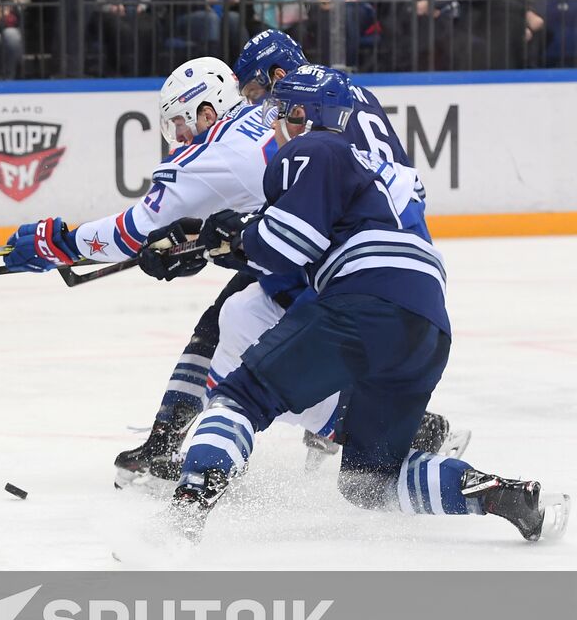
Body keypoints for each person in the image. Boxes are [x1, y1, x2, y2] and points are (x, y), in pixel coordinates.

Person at [151, 66, 568, 544]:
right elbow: (313, 240)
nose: (271, 123)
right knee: (370, 482)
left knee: (240, 396)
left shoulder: (314, 148)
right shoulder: (385, 170)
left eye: (278, 111)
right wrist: (213, 241)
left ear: (304, 114)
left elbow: (284, 244)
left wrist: (232, 237)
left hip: (366, 301)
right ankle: (494, 493)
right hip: (428, 325)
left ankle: (183, 514)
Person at [108, 30, 462, 489]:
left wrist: (216, 238)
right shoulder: (344, 96)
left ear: (278, 77)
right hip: (384, 244)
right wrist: (203, 237)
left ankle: (208, 451)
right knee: (227, 319)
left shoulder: (306, 121)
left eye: (257, 94)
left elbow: (297, 215)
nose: (257, 108)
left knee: (242, 334)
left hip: (341, 251)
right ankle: (176, 442)